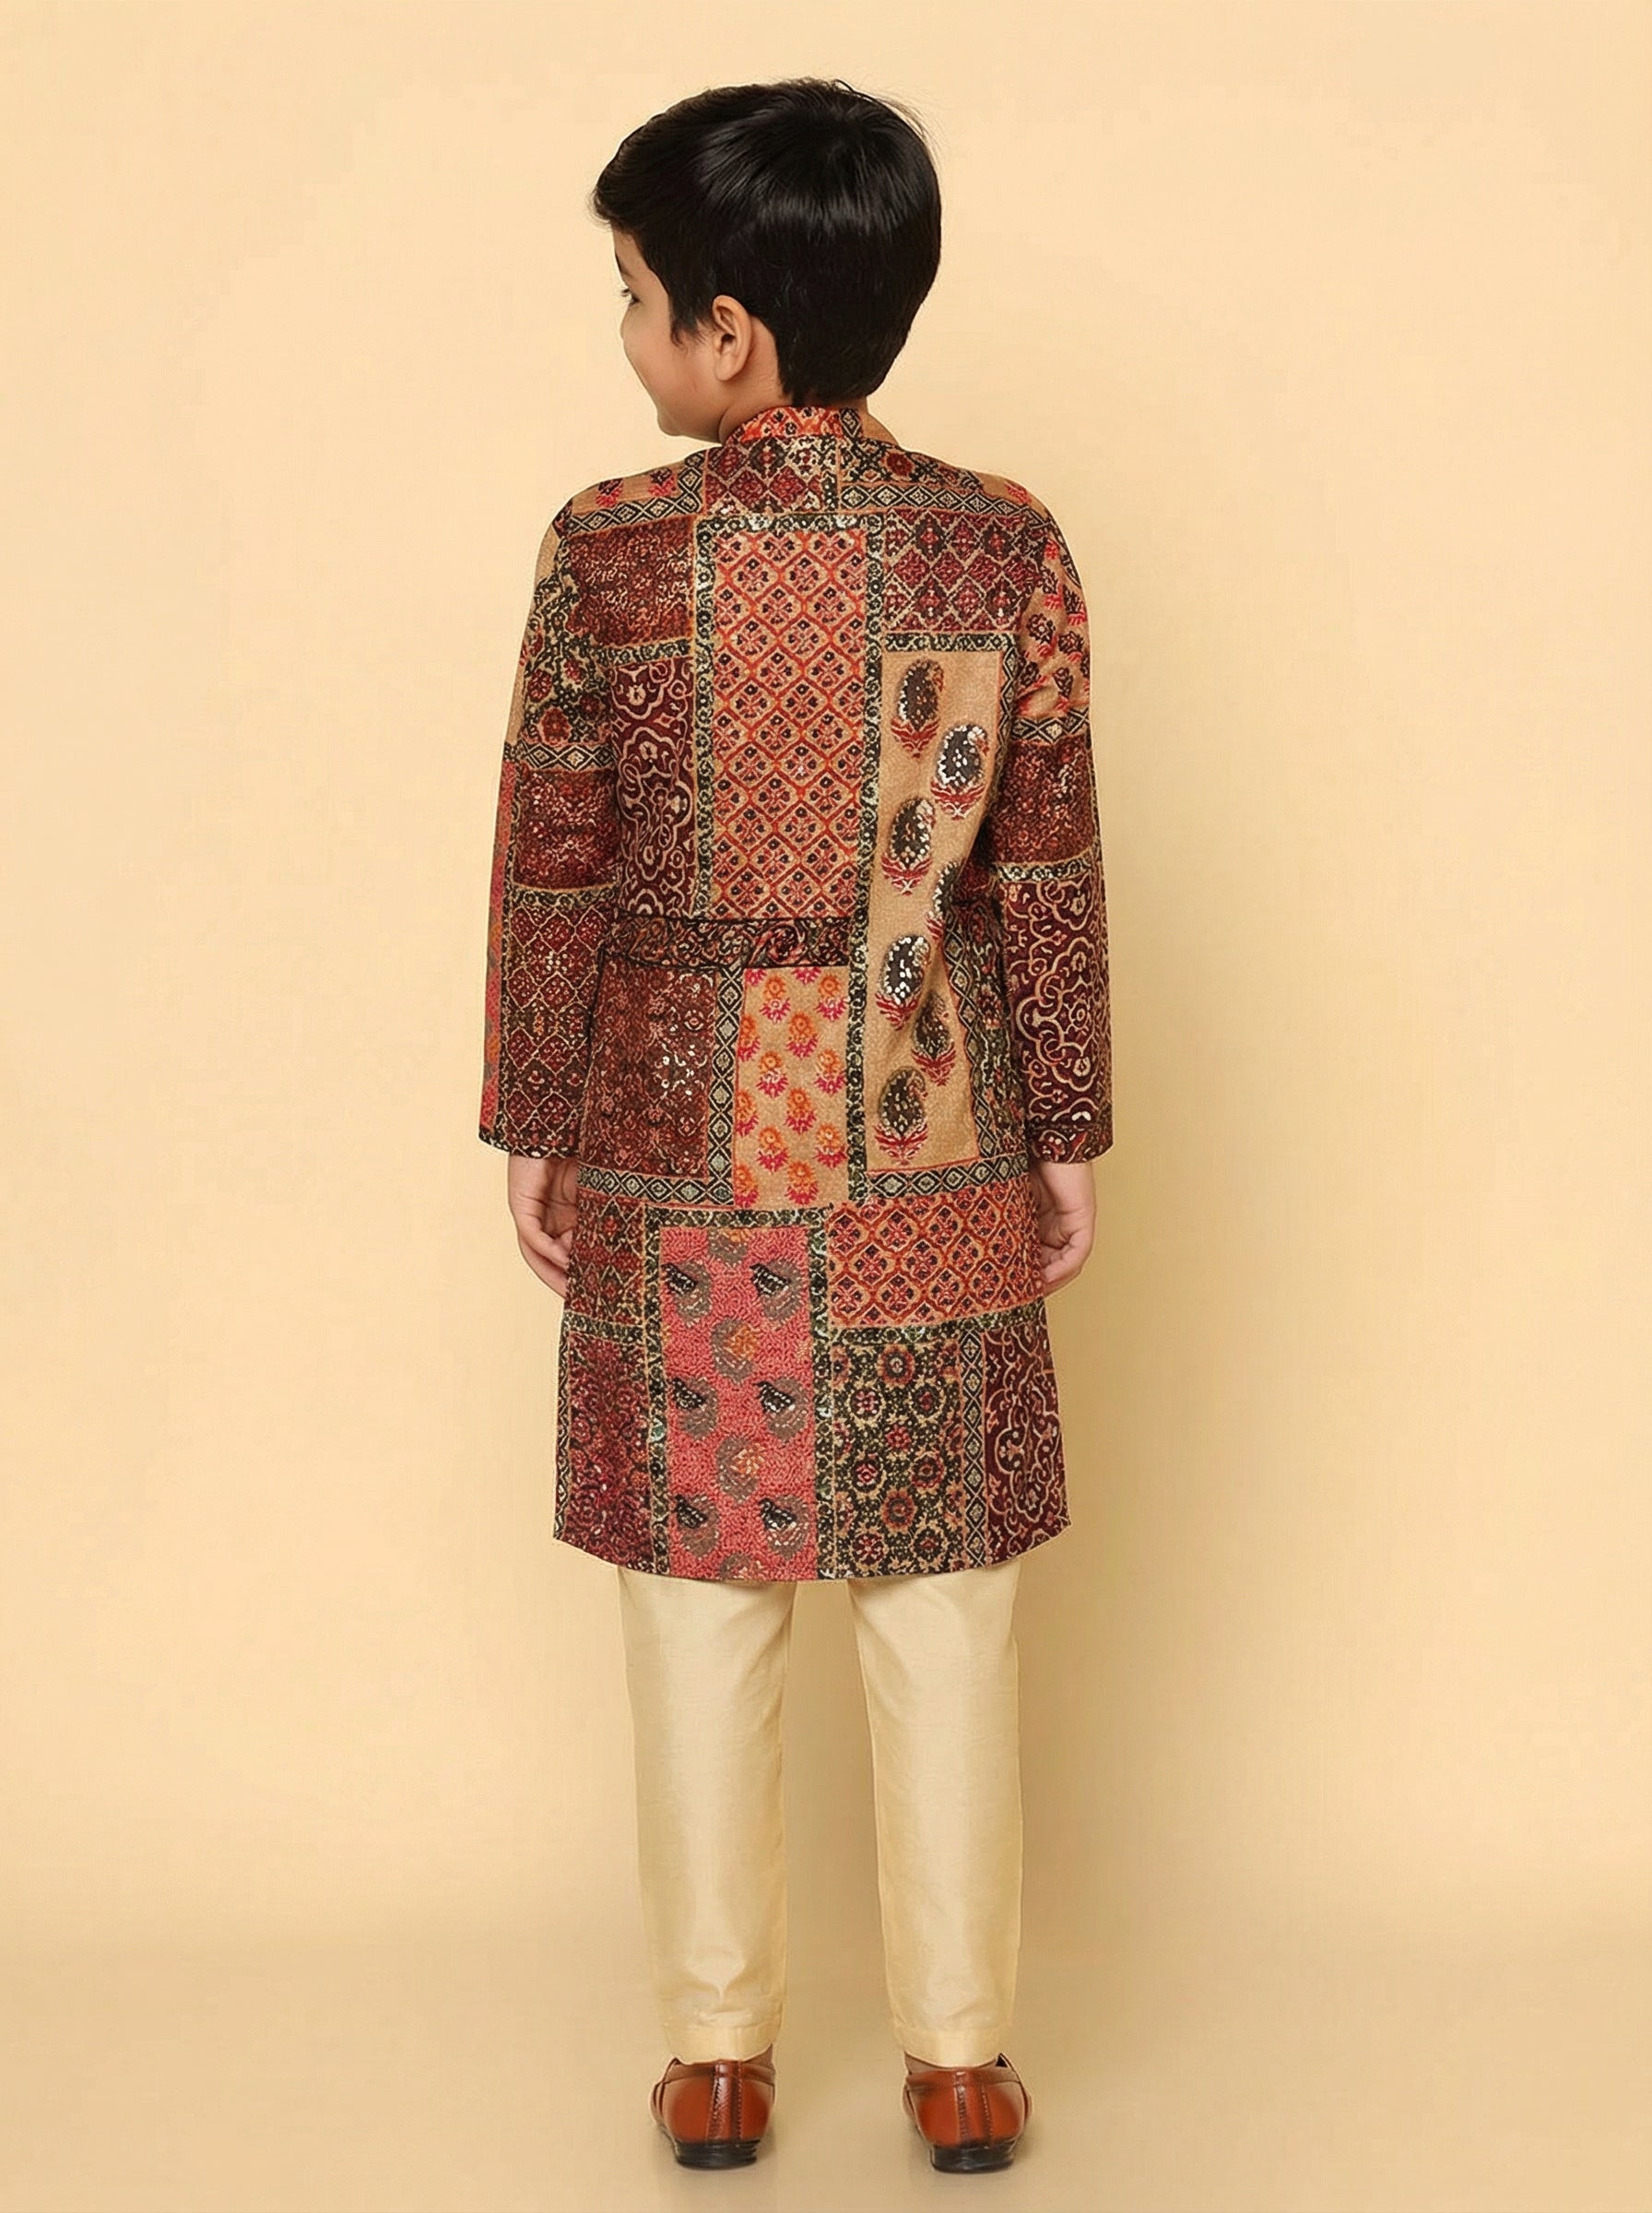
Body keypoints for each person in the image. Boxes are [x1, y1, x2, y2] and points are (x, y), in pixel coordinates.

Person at [478, 76, 1112, 2173]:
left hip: (683, 1148)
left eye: (634, 293)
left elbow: (555, 858)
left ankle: (718, 2050)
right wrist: (1066, 1122)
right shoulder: (999, 541)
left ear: (726, 332)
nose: (626, 331)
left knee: (701, 1598)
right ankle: (960, 2055)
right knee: (943, 1602)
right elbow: (1043, 865)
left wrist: (535, 1111)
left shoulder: (605, 549)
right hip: (934, 1125)